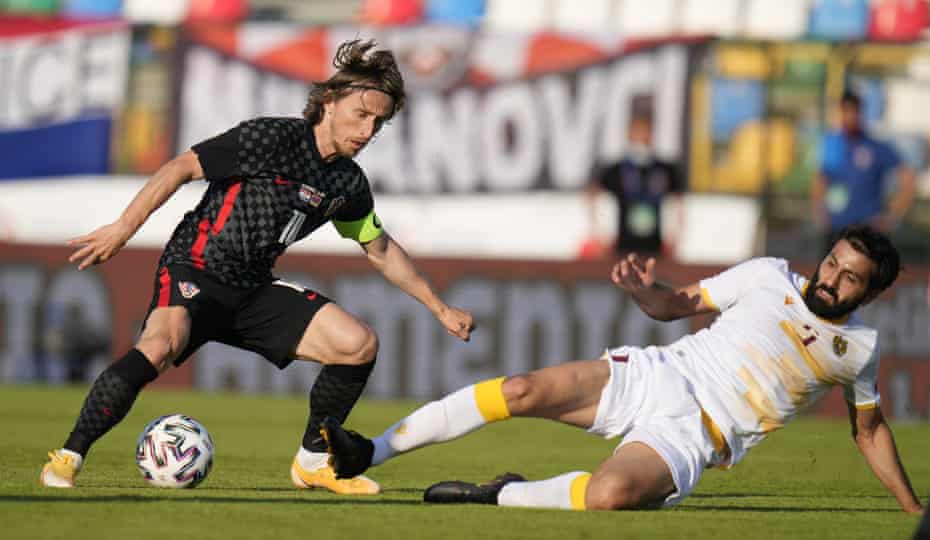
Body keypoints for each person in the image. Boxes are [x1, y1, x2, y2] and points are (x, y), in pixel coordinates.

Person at [40, 39, 475, 494]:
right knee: (158, 347)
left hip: (252, 290)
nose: (367, 131)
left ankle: (312, 462)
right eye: (361, 115)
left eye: (378, 123)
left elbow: (380, 249)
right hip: (195, 268)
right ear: (329, 102)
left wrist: (438, 308)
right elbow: (180, 168)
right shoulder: (271, 138)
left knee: (357, 344)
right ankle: (69, 456)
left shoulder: (346, 181)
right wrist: (123, 228)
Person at [322, 225, 924, 513]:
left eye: (850, 277)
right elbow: (677, 305)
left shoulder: (859, 350)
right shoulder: (768, 275)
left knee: (610, 495)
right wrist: (646, 290)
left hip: (697, 433)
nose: (831, 279)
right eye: (832, 263)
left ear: (867, 294)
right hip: (659, 374)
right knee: (521, 389)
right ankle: (366, 454)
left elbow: (868, 431)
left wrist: (910, 507)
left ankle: (504, 495)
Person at [811, 90, 916, 252]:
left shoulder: (876, 147)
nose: (849, 116)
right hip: (837, 228)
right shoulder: (832, 145)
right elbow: (821, 180)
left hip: (868, 229)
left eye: (853, 111)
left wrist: (892, 217)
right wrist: (820, 213)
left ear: (861, 113)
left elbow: (908, 179)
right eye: (844, 111)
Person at [583, 112, 682, 258]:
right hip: (622, 247)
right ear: (629, 134)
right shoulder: (616, 169)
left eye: (646, 131)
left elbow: (678, 202)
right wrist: (599, 235)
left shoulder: (664, 169)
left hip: (656, 247)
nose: (642, 137)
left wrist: (675, 236)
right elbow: (591, 195)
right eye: (638, 132)